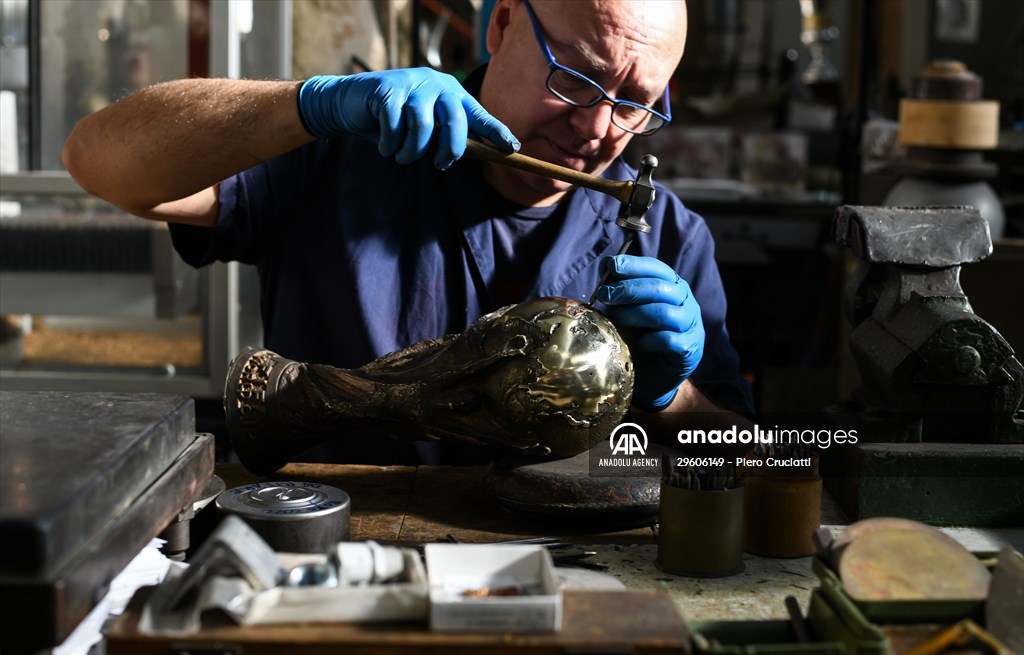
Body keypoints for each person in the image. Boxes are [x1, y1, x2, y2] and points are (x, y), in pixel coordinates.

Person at [63, 0, 753, 465]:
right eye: (579, 79)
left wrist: (674, 400)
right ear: (504, 21)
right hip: (331, 554)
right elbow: (96, 162)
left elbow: (760, 458)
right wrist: (309, 105)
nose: (600, 128)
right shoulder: (346, 152)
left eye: (636, 102)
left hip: (562, 576)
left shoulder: (666, 235)